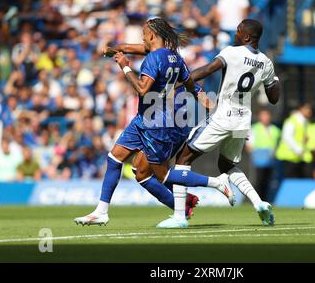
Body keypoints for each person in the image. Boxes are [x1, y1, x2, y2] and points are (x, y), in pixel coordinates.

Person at [74, 18, 233, 226]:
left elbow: (142, 89)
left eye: (144, 33)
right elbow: (194, 88)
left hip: (157, 124)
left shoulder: (153, 59)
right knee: (115, 157)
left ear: (152, 35)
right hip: (144, 119)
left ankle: (215, 182)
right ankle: (101, 211)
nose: (142, 37)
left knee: (163, 176)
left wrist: (125, 68)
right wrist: (111, 50)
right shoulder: (175, 58)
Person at [158, 19, 280, 228]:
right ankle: (259, 203)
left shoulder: (232, 52)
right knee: (227, 164)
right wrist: (273, 79)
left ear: (247, 37)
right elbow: (274, 97)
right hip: (243, 121)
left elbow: (207, 69)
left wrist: (177, 84)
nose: (235, 32)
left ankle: (179, 217)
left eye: (239, 30)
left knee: (183, 159)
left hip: (223, 116)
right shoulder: (266, 62)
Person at [245, 109, 280, 200]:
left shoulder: (275, 130)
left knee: (268, 181)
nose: (266, 118)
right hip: (259, 160)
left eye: (267, 115)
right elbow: (249, 145)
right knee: (259, 180)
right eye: (263, 116)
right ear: (260, 117)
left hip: (271, 160)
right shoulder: (254, 128)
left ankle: (266, 199)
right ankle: (257, 200)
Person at [276, 103, 313, 178]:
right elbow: (287, 136)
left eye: (310, 109)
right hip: (288, 158)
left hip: (298, 158)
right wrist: (298, 150)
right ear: (301, 109)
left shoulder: (305, 122)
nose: (309, 111)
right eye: (307, 109)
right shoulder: (292, 120)